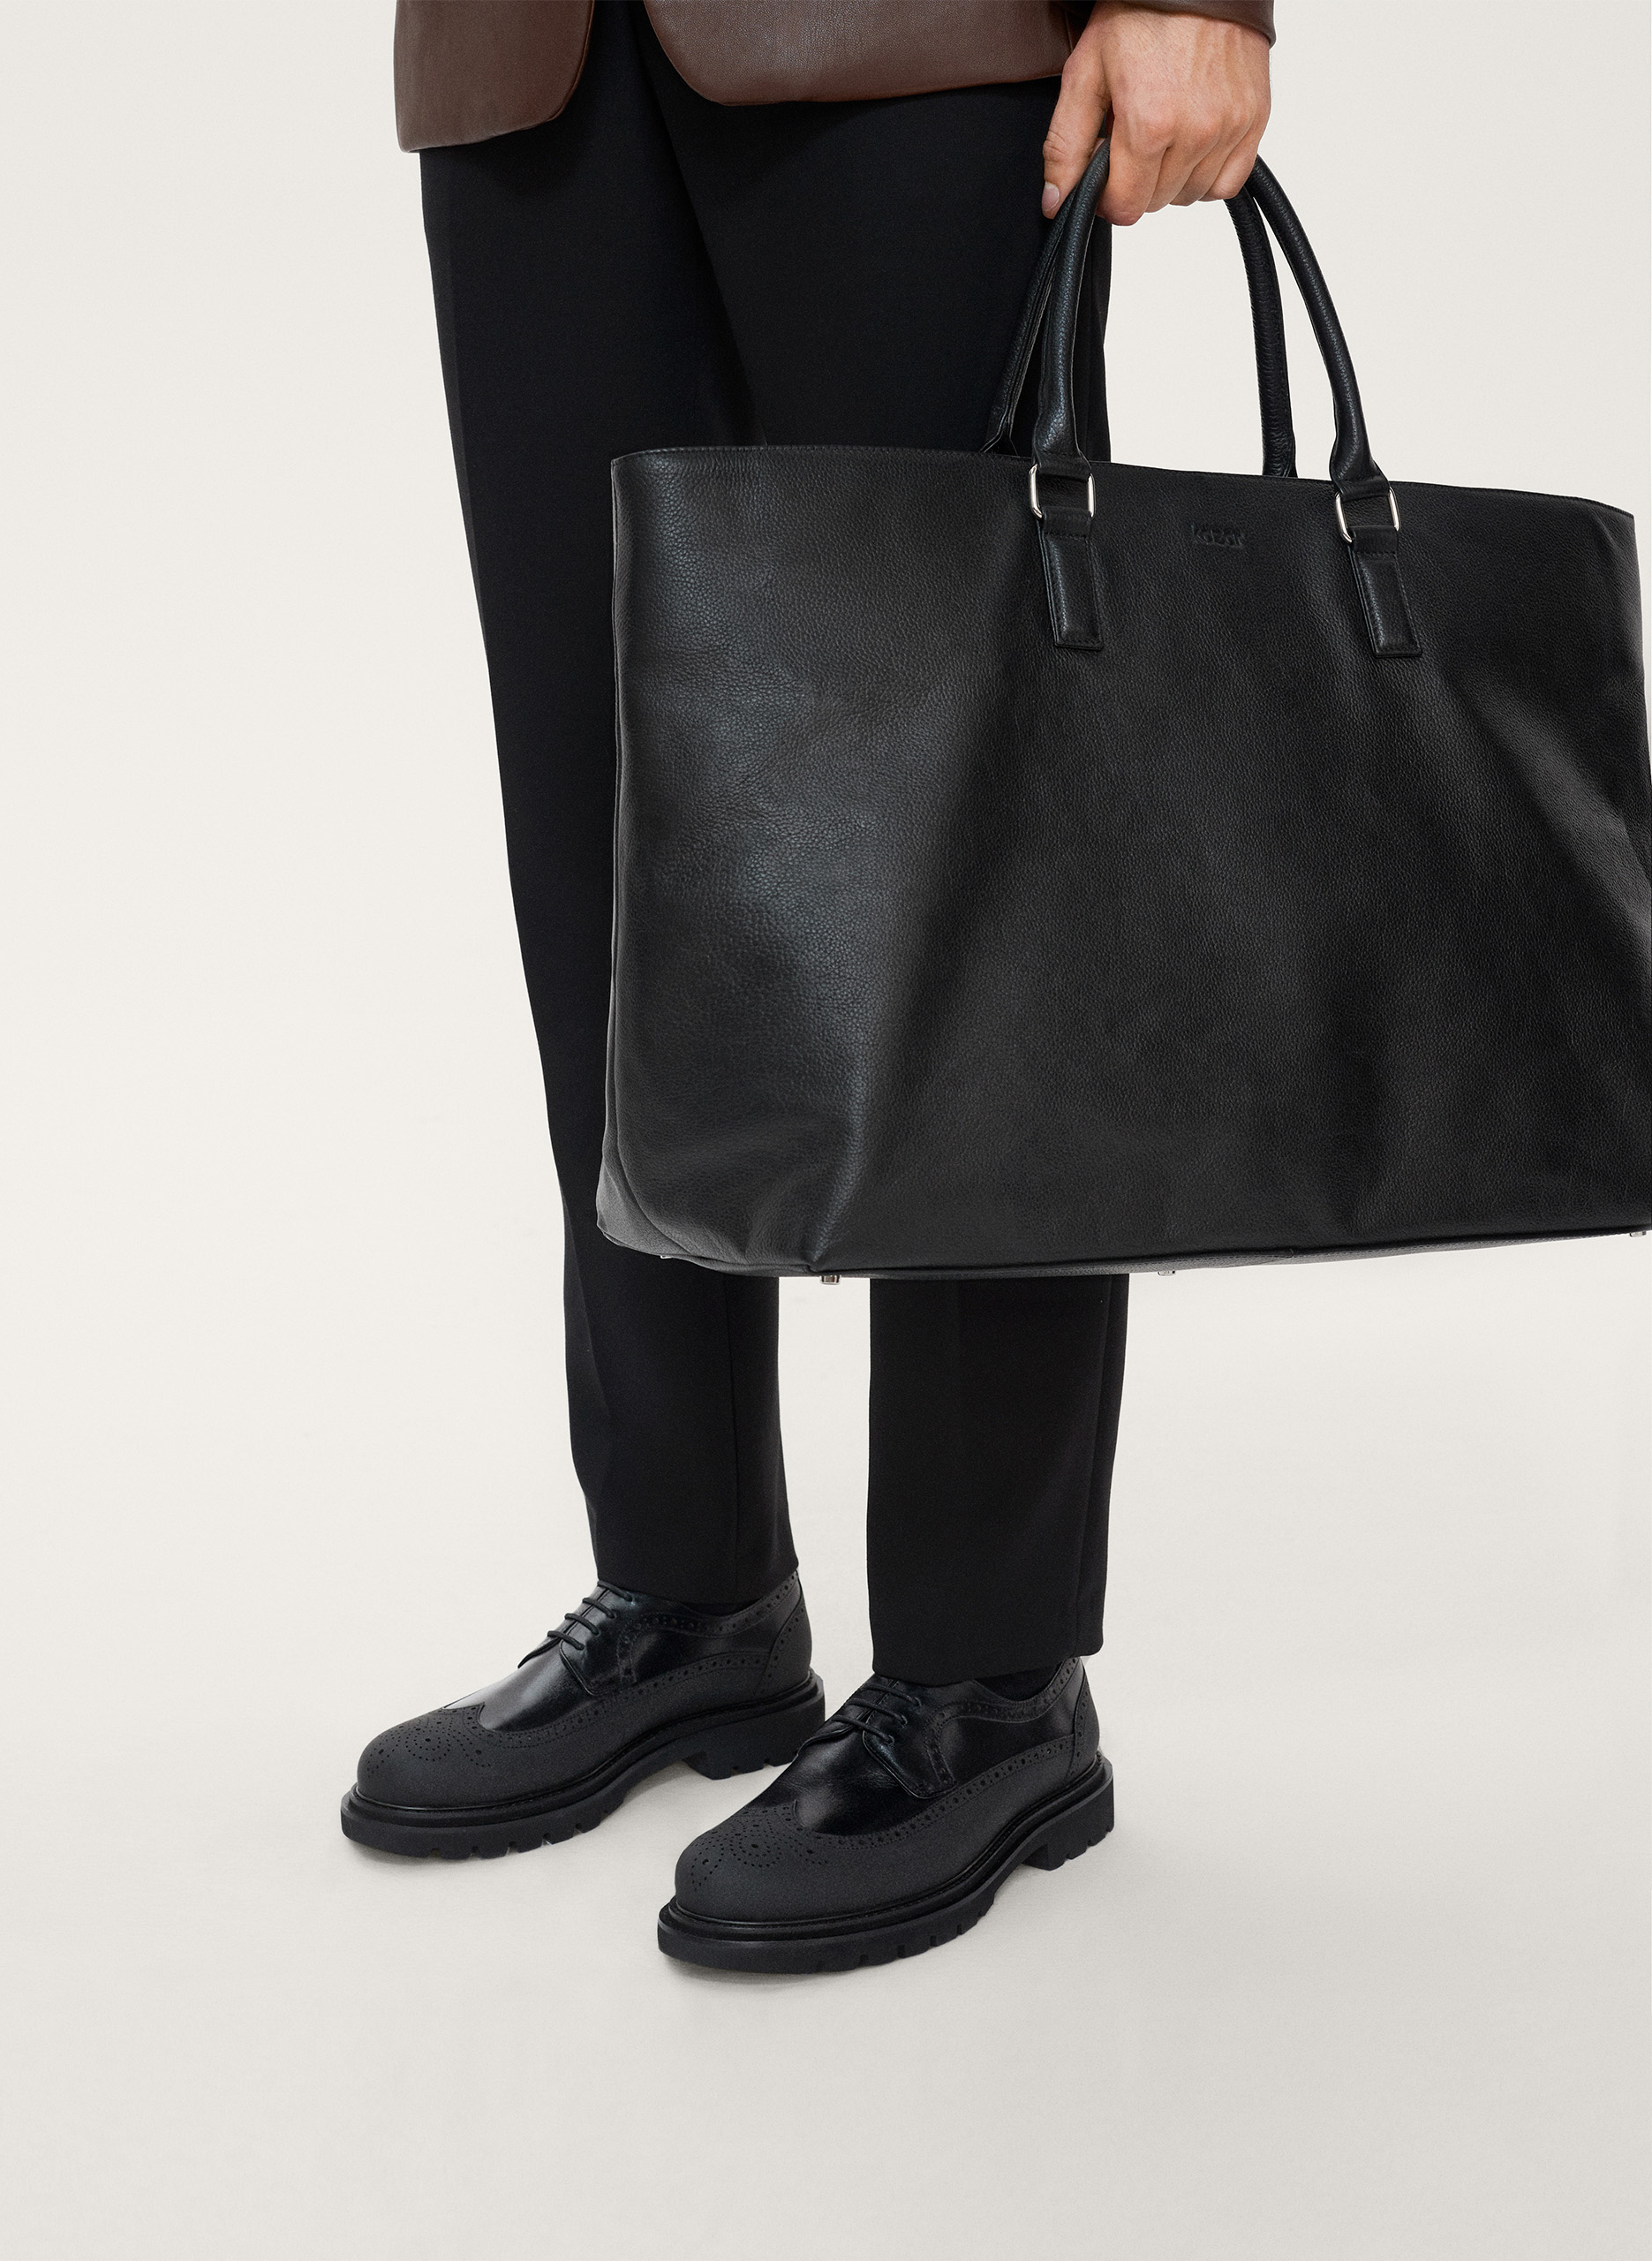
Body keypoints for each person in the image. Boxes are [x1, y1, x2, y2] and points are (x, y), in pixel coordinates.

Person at [342, 0, 1274, 1972]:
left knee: (970, 836)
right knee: (603, 822)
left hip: (924, 45)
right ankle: (692, 1595)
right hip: (528, 58)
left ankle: (992, 1675)